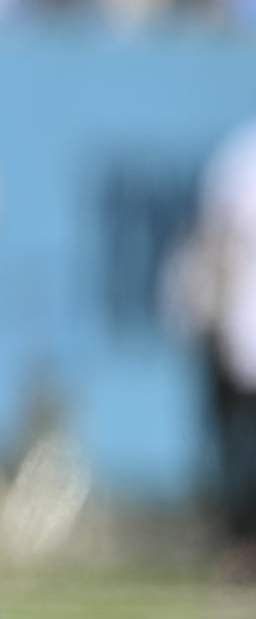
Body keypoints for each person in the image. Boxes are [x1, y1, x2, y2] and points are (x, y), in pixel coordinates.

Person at [166, 118, 256, 568]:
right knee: (239, 445)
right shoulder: (241, 157)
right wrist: (210, 318)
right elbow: (213, 243)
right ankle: (240, 543)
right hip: (242, 326)